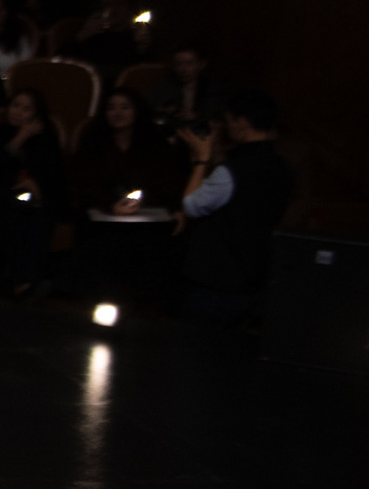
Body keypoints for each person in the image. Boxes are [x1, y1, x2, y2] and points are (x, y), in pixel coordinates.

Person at [176, 92, 293, 325]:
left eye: (228, 121)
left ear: (241, 122)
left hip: (218, 280)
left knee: (199, 350)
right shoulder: (282, 167)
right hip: (256, 275)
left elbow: (192, 205)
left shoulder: (233, 171)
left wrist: (201, 160)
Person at [73, 87, 186, 311]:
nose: (118, 113)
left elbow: (168, 180)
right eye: (111, 107)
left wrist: (158, 204)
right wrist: (110, 204)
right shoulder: (93, 139)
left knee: (155, 240)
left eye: (125, 107)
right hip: (101, 212)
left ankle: (147, 305)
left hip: (146, 212)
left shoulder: (154, 140)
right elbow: (84, 181)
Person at [0, 88, 67, 300]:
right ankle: (25, 281)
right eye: (15, 105)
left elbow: (54, 173)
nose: (18, 112)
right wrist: (20, 138)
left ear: (36, 114)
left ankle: (23, 281)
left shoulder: (46, 136)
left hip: (38, 197)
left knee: (39, 216)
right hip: (1, 194)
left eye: (26, 109)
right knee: (15, 212)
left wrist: (35, 184)